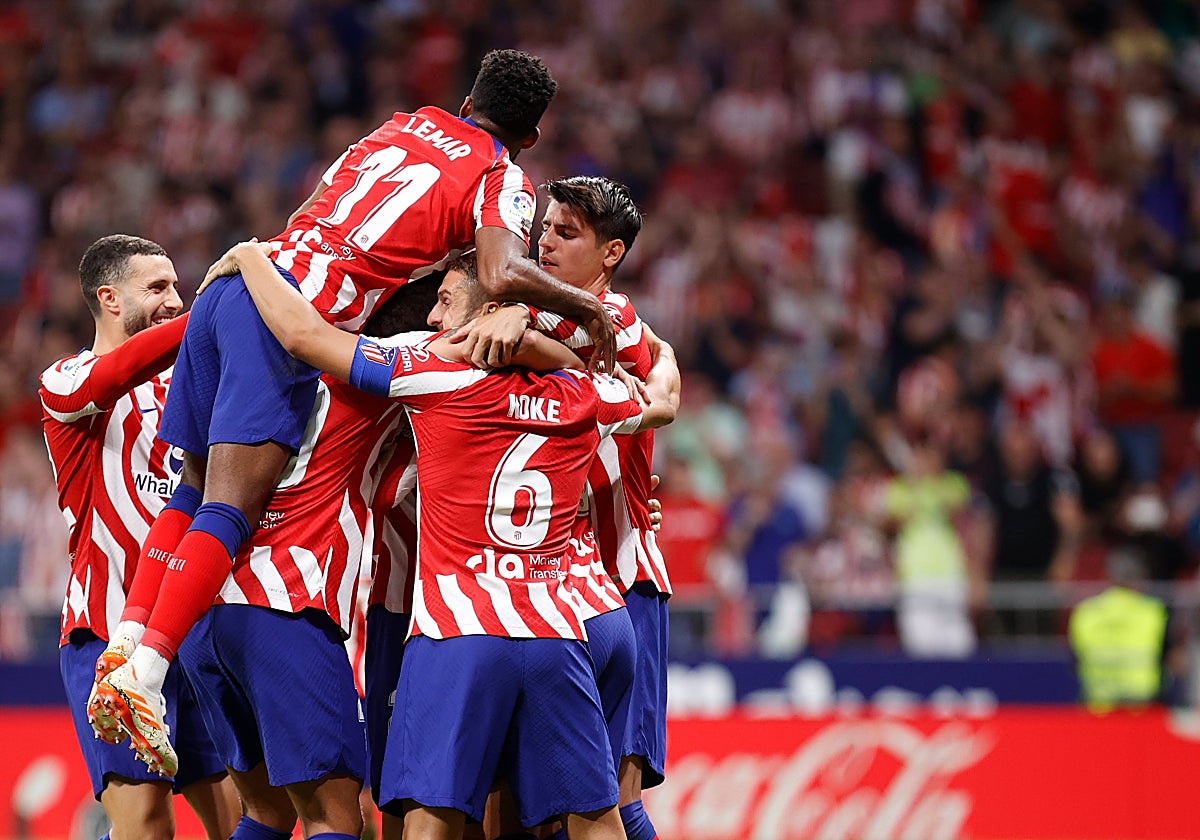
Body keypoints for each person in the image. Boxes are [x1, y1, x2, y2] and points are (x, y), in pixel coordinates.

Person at [91, 49, 619, 772]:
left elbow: (320, 211)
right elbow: (499, 270)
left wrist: (255, 262)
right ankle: (146, 674)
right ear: (528, 137)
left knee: (190, 486)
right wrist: (586, 308)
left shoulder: (400, 126)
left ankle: (124, 644)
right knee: (229, 505)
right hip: (286, 321)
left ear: (468, 101)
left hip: (239, 285)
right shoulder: (501, 175)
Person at [210, 239, 678, 840]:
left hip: (458, 633)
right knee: (597, 819)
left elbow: (304, 337)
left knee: (430, 821)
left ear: (487, 314)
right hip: (560, 632)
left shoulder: (433, 372)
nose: (433, 317)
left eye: (447, 300)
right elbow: (660, 401)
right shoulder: (587, 394)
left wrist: (251, 257)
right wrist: (592, 351)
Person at [38, 235, 240, 840]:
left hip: (191, 631)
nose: (175, 299)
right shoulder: (67, 381)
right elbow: (117, 372)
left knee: (240, 820)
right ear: (109, 298)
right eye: (158, 288)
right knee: (147, 825)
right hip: (108, 634)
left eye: (179, 287)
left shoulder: (191, 384)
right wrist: (213, 306)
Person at [521, 176, 672, 840]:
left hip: (622, 581)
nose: (544, 241)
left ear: (610, 253)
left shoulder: (596, 320)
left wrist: (498, 310)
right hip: (553, 591)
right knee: (556, 810)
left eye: (566, 232)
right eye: (545, 228)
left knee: (615, 804)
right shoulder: (571, 317)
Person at [1068, 545, 1169, 711]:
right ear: (1141, 577)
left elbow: (1075, 658)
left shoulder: (1086, 612)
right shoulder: (1154, 612)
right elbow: (1169, 657)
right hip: (1142, 708)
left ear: (1108, 576)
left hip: (1098, 706)